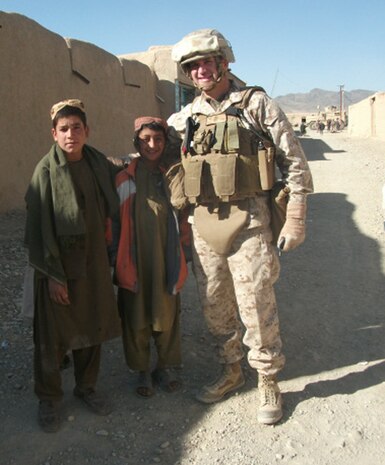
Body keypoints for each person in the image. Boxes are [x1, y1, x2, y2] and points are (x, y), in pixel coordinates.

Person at [167, 29, 313, 425]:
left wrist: (296, 214)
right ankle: (231, 370)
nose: (200, 71)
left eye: (206, 63)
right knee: (214, 305)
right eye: (192, 66)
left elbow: (294, 162)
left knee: (256, 303)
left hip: (249, 221)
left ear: (224, 62)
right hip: (204, 225)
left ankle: (267, 377)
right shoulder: (186, 117)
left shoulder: (256, 104)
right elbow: (159, 155)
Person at [24, 99, 121, 433]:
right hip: (58, 266)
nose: (70, 134)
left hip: (93, 262)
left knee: (92, 323)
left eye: (76, 128)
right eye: (63, 129)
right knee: (52, 336)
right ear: (54, 133)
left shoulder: (97, 163)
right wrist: (53, 276)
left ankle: (87, 387)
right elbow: (38, 230)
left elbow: (125, 173)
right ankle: (49, 397)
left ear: (87, 131)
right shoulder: (45, 172)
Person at [111, 117, 190, 398]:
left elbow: (185, 216)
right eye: (146, 139)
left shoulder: (174, 176)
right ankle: (141, 368)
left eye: (158, 139)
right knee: (135, 313)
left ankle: (165, 366)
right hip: (133, 258)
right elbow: (113, 222)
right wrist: (114, 257)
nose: (152, 145)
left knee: (167, 309)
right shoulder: (123, 177)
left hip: (166, 256)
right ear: (137, 142)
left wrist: (185, 250)